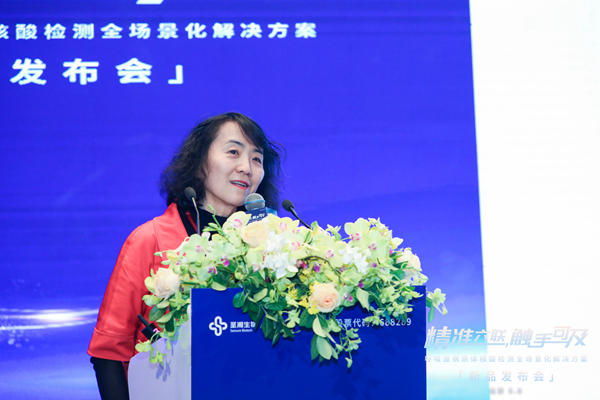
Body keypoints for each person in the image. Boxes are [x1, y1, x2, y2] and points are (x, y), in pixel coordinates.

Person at [88, 112, 283, 400]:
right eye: (233, 152)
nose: (246, 167)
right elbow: (108, 352)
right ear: (200, 160)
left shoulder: (275, 245)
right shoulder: (150, 239)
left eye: (257, 159)